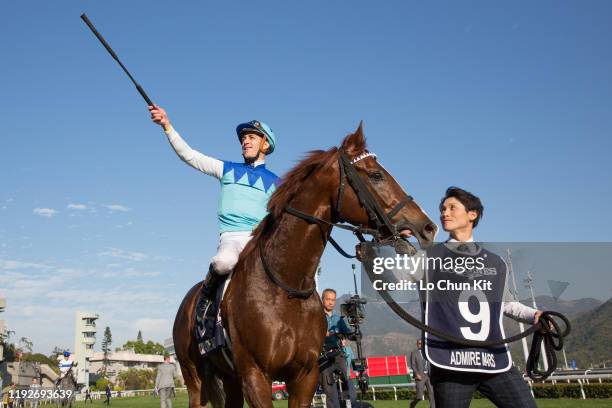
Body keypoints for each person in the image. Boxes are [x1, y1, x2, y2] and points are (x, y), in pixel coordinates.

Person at [148, 106, 281, 331]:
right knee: (223, 262)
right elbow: (189, 155)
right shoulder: (227, 169)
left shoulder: (278, 183)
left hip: (260, 242)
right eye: (243, 138)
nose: (245, 142)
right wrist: (167, 126)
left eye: (251, 137)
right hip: (233, 238)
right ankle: (206, 303)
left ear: (265, 144)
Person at [319, 288, 357, 408]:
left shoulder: (338, 319)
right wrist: (334, 334)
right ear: (322, 300)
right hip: (324, 357)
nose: (330, 302)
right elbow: (319, 332)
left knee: (349, 387)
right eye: (328, 299)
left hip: (339, 354)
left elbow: (347, 333)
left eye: (333, 300)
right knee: (331, 394)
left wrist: (354, 334)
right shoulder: (317, 316)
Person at [409, 339, 434, 408]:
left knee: (432, 394)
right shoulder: (414, 353)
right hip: (420, 376)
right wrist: (417, 374)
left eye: (421, 343)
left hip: (428, 376)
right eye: (419, 343)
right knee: (419, 396)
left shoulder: (427, 352)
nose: (420, 344)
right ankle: (412, 404)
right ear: (417, 344)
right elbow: (413, 365)